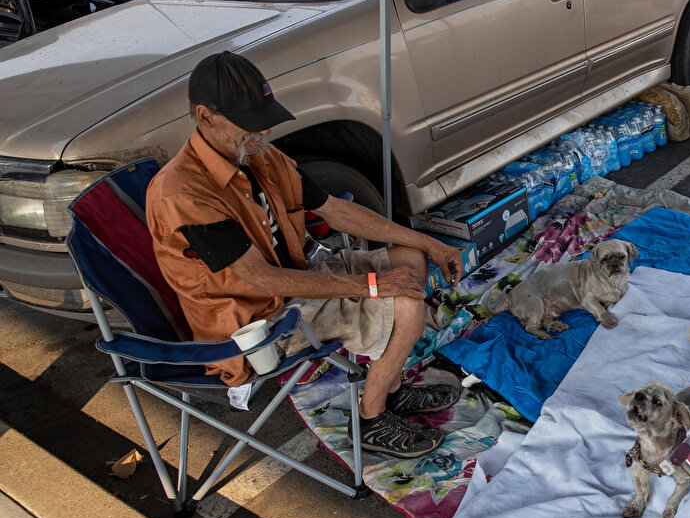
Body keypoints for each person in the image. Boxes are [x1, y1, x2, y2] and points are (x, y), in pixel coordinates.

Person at [147, 51, 463, 458]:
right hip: (255, 323)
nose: (264, 129)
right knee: (406, 304)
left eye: (264, 116)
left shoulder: (259, 156)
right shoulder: (182, 191)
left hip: (295, 283)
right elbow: (261, 279)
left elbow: (336, 210)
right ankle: (370, 417)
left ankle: (391, 387)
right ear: (205, 116)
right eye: (249, 120)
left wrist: (429, 243)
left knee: (411, 260)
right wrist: (371, 285)